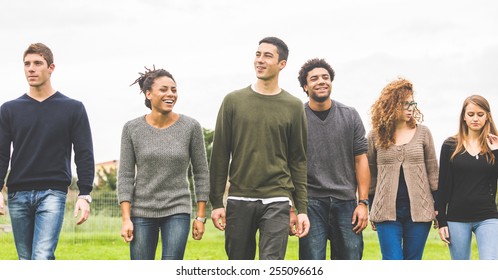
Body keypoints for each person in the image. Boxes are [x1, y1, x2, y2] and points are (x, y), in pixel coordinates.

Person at [209, 36, 309, 260]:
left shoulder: (293, 106)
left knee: (271, 265)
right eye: (257, 54)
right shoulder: (233, 101)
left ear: (282, 64)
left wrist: (301, 208)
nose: (260, 60)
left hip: (277, 198)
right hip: (239, 198)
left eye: (267, 55)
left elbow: (298, 160)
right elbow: (220, 155)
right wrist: (216, 202)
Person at [0, 43, 95, 260]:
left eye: (37, 63)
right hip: (17, 194)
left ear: (51, 68)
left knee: (41, 256)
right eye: (27, 64)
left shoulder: (73, 108)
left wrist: (85, 193)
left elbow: (84, 153)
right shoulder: (9, 109)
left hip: (53, 193)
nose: (31, 69)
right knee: (26, 259)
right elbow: (1, 153)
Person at [117, 67, 209, 260]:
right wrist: (126, 219)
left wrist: (200, 217)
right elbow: (125, 175)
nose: (170, 94)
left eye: (174, 90)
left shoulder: (190, 127)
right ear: (148, 94)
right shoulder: (132, 128)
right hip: (142, 211)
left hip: (177, 209)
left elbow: (201, 173)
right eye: (164, 89)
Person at [295, 58, 370, 260]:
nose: (321, 81)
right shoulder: (296, 117)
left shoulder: (350, 115)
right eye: (314, 78)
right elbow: (289, 165)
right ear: (305, 86)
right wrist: (293, 207)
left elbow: (361, 160)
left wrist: (363, 203)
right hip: (310, 202)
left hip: (346, 203)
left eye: (325, 77)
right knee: (312, 265)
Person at [367, 78, 438, 260]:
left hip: (420, 212)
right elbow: (371, 175)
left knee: (413, 262)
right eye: (405, 104)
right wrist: (371, 207)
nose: (411, 108)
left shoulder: (423, 133)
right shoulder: (375, 136)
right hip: (386, 212)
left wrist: (438, 208)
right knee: (393, 261)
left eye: (412, 103)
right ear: (392, 105)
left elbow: (433, 172)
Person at [436, 95, 498, 260]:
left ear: (488, 117)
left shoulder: (494, 146)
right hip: (457, 218)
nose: (475, 118)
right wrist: (441, 221)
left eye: (480, 114)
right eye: (471, 114)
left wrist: (497, 152)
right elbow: (442, 186)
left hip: (488, 217)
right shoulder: (450, 145)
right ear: (464, 116)